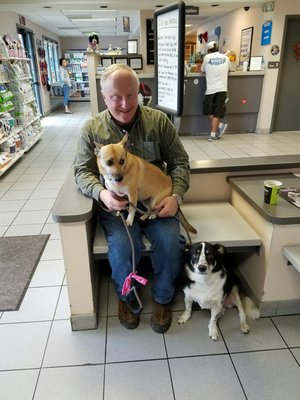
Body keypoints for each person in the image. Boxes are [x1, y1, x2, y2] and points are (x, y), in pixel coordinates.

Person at [73, 64, 190, 334]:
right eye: (116, 96)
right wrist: (101, 193)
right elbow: (81, 172)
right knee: (124, 250)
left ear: (140, 92)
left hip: (155, 201)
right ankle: (126, 297)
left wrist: (176, 196)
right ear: (104, 96)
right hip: (116, 208)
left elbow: (180, 162)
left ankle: (162, 298)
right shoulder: (91, 129)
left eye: (131, 95)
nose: (124, 104)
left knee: (171, 243)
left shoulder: (159, 122)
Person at [201, 41, 230, 141]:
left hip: (211, 89)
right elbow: (230, 68)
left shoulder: (207, 58)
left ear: (208, 50)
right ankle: (219, 125)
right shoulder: (226, 58)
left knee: (207, 110)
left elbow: (202, 69)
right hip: (222, 89)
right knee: (218, 111)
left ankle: (213, 134)